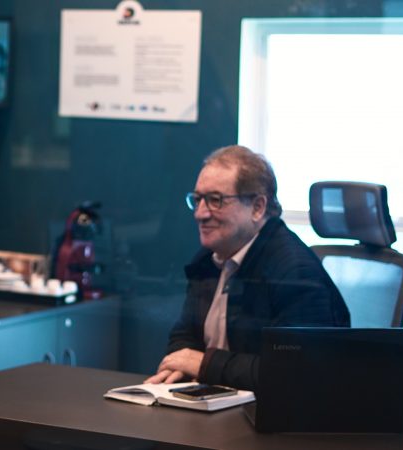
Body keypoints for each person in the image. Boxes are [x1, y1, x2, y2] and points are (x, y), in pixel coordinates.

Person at [145, 145, 350, 390]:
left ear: (257, 207)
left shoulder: (294, 272)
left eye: (215, 200)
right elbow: (185, 336)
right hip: (217, 405)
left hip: (272, 420)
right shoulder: (208, 260)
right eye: (198, 199)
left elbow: (297, 374)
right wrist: (179, 366)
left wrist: (205, 365)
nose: (200, 214)